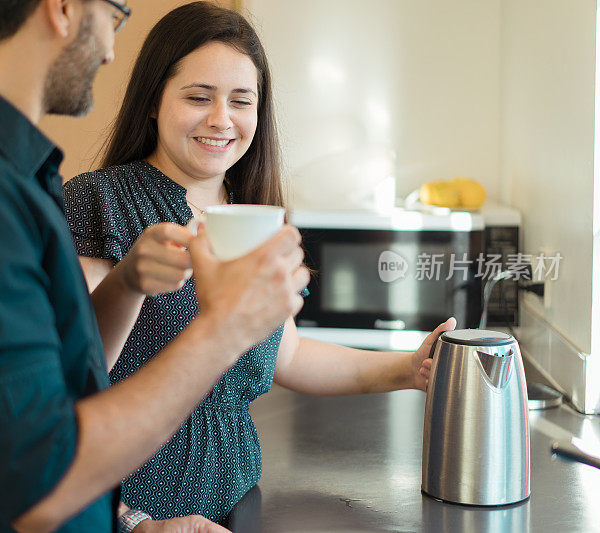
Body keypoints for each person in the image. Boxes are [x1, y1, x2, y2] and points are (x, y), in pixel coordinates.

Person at [0, 1, 309, 532]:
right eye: (113, 13)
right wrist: (223, 328)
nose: (111, 48)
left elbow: (51, 401)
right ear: (65, 9)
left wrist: (124, 284)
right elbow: (41, 479)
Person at [62, 1, 456, 527]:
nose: (222, 119)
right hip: (129, 517)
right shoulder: (99, 203)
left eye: (241, 101)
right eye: (199, 97)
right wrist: (133, 522)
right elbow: (73, 376)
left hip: (239, 502)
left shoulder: (250, 214)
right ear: (152, 103)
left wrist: (407, 368)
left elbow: (286, 352)